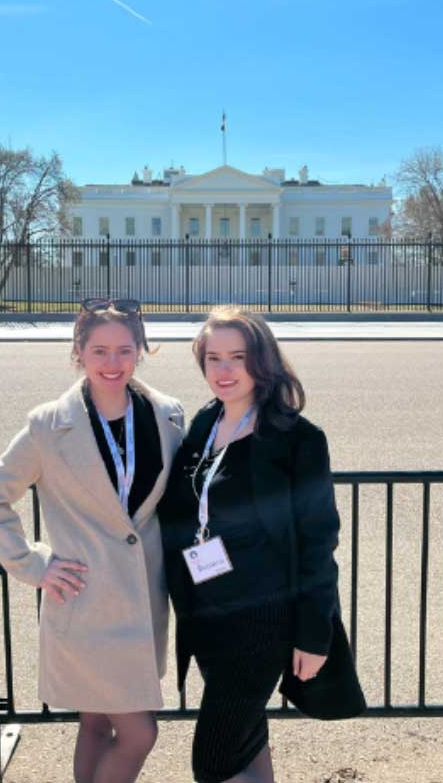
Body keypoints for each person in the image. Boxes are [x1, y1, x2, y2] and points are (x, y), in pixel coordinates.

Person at [0, 298, 185, 783]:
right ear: (79, 352)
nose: (113, 363)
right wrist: (33, 564)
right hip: (85, 604)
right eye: (99, 351)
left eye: (124, 350)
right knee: (139, 734)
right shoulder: (48, 425)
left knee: (96, 724)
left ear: (141, 350)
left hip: (142, 603)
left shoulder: (168, 415)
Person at [160, 306, 365, 783]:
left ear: (263, 360)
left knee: (212, 761)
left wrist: (313, 635)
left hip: (262, 621)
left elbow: (318, 543)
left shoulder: (296, 439)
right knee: (246, 741)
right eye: (213, 358)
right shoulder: (204, 424)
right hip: (206, 614)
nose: (225, 370)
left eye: (238, 357)